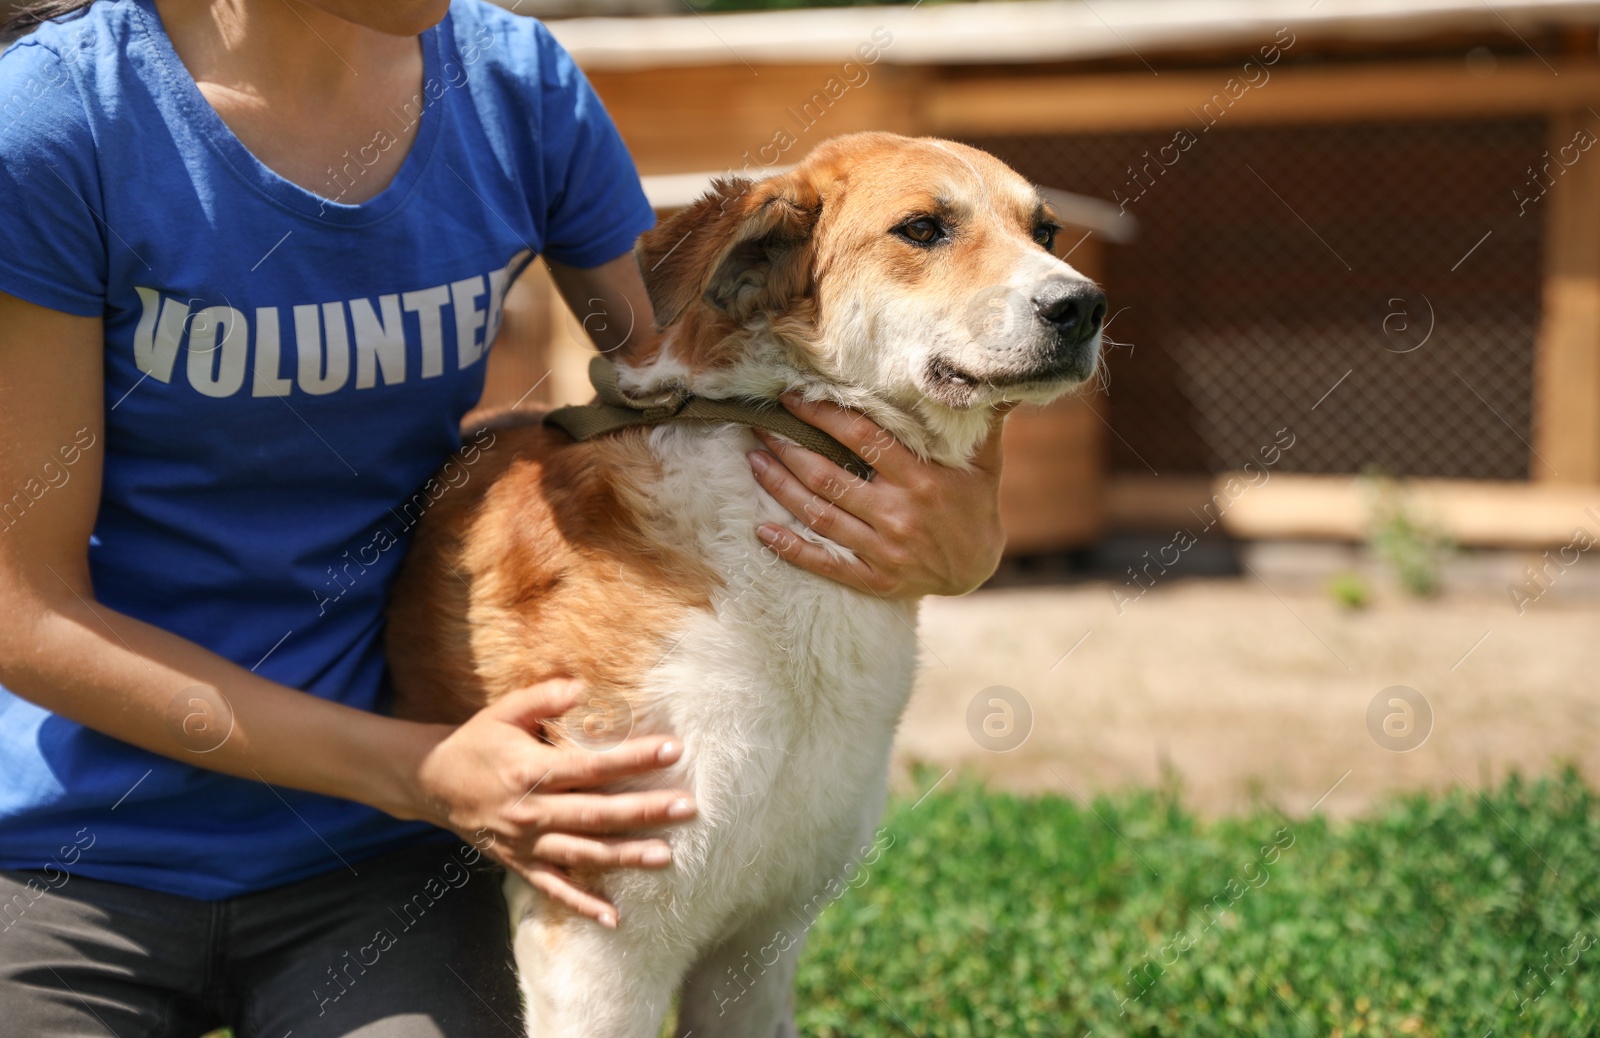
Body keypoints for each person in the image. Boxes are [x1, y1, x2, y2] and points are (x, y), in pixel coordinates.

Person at [0, 0, 1011, 1033]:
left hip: (378, 867)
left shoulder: (508, 81)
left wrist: (970, 515)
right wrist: (421, 770)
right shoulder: (55, 124)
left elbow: (709, 354)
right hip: (67, 853)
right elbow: (21, 616)